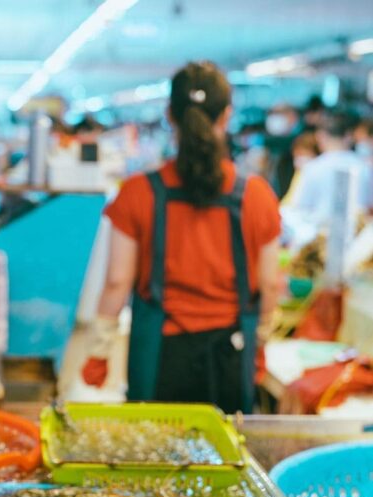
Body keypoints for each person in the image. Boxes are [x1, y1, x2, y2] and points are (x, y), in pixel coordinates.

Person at [82, 61, 281, 414]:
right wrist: (260, 345)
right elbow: (269, 285)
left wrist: (99, 352)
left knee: (155, 456)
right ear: (227, 116)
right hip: (230, 356)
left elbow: (116, 283)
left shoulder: (138, 193)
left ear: (169, 115)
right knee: (224, 457)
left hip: (159, 356)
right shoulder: (258, 195)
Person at [287, 111, 369, 228]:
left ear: (320, 136)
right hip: (356, 238)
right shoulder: (364, 168)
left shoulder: (312, 168)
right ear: (349, 136)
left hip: (320, 238)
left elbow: (300, 208)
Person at [281, 132, 320, 207]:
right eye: (296, 156)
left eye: (302, 154)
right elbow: (288, 200)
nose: (299, 160)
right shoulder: (299, 173)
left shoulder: (318, 174)